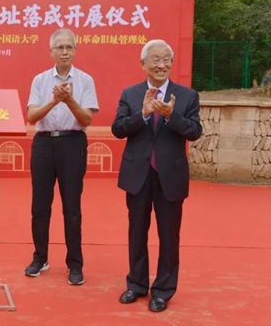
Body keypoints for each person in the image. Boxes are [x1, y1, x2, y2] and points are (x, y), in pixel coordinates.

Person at [111, 39, 202, 312]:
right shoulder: (130, 94)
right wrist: (143, 113)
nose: (161, 65)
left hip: (170, 176)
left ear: (171, 63)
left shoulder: (187, 96)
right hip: (138, 174)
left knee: (169, 236)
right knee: (137, 232)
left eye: (166, 59)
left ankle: (163, 290)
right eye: (155, 59)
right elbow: (118, 129)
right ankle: (136, 284)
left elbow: (194, 132)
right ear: (143, 64)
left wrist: (172, 116)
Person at [24, 28, 99, 285]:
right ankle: (40, 257)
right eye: (60, 47)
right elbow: (32, 117)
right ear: (51, 51)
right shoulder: (40, 80)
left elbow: (87, 118)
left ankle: (75, 264)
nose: (64, 51)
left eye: (69, 47)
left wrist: (69, 100)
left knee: (72, 207)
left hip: (72, 143)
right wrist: (55, 101)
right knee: (39, 206)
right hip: (43, 144)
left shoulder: (85, 80)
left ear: (75, 50)